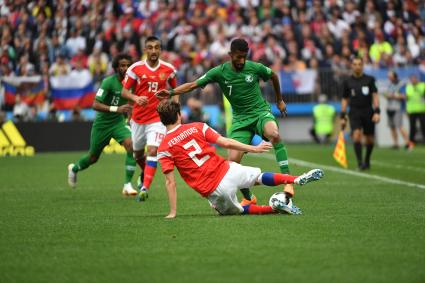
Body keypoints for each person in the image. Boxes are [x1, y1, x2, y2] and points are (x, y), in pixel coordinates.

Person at [155, 38, 293, 206]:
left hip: (260, 113)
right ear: (230, 55)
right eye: (238, 57)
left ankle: (288, 182)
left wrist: (279, 100)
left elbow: (273, 76)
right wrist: (170, 92)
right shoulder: (219, 72)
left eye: (244, 56)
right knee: (233, 162)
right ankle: (249, 198)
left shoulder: (255, 68)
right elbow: (193, 85)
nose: (241, 61)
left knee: (274, 134)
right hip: (240, 120)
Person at [156, 100, 324, 218]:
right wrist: (254, 148)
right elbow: (226, 142)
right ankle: (295, 179)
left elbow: (170, 182)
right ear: (179, 115)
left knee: (241, 210)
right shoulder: (197, 126)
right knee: (259, 177)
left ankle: (273, 208)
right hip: (227, 168)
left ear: (162, 120)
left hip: (214, 189)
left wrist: (172, 212)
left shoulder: (164, 147)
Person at [67, 54, 138, 195]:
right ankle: (74, 169)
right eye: (122, 65)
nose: (125, 68)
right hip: (102, 125)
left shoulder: (133, 83)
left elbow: (131, 102)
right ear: (116, 67)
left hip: (118, 123)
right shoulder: (108, 82)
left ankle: (127, 185)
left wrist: (130, 117)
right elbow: (95, 104)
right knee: (93, 158)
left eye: (128, 65)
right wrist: (117, 109)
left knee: (132, 145)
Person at [121, 36, 178, 201]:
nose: (154, 51)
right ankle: (144, 175)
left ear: (160, 50)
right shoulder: (135, 69)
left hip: (157, 118)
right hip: (138, 119)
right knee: (138, 153)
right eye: (150, 47)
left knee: (153, 150)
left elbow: (176, 90)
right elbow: (124, 92)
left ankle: (145, 187)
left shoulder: (169, 69)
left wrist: (175, 112)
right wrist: (135, 98)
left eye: (157, 47)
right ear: (145, 50)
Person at [340, 57, 380, 170]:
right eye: (355, 64)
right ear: (351, 66)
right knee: (356, 135)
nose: (357, 66)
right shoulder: (347, 82)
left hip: (368, 111)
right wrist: (342, 116)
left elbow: (375, 96)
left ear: (362, 66)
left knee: (370, 139)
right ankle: (360, 163)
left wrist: (377, 111)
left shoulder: (370, 79)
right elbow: (344, 99)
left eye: (359, 64)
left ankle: (367, 160)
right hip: (354, 112)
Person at [383, 70, 409, 149]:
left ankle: (408, 143)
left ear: (394, 76)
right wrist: (387, 96)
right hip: (389, 108)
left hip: (397, 108)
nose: (389, 78)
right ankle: (395, 144)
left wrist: (393, 96)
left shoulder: (401, 84)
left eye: (390, 76)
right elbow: (387, 94)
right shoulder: (390, 85)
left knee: (399, 126)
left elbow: (404, 96)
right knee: (392, 127)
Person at [403, 74, 425, 150]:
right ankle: (411, 143)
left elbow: (422, 93)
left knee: (423, 126)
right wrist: (406, 109)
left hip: (422, 109)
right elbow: (407, 97)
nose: (413, 80)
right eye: (412, 79)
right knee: (412, 127)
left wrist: (416, 87)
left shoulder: (422, 85)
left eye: (414, 79)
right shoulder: (408, 87)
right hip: (412, 110)